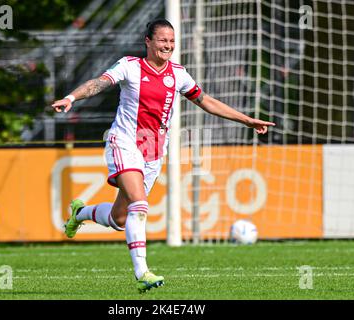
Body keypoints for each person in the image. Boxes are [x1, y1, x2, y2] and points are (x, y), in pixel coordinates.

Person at [52, 19, 275, 293]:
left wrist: (246, 120)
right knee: (140, 204)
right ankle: (142, 272)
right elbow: (99, 83)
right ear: (148, 41)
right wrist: (71, 98)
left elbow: (206, 101)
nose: (168, 45)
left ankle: (80, 212)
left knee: (120, 219)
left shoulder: (179, 74)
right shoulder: (130, 66)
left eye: (171, 40)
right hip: (123, 142)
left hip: (154, 151)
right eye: (162, 40)